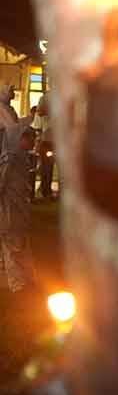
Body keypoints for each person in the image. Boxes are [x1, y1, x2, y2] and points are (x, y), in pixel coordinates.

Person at [1, 124, 36, 293]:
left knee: (21, 243)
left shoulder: (22, 158)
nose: (33, 141)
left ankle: (26, 279)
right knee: (11, 246)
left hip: (19, 208)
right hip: (10, 208)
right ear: (19, 138)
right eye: (30, 138)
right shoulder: (9, 159)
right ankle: (18, 283)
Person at [33, 94, 56, 201]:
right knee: (46, 167)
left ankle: (47, 190)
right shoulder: (45, 97)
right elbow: (39, 113)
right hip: (47, 141)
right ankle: (45, 190)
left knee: (49, 167)